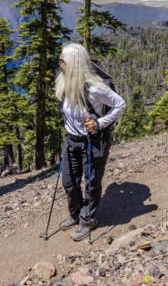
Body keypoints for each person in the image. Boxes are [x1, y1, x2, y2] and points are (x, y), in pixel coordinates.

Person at [55, 43, 126, 241]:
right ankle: (76, 214)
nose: (59, 63)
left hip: (92, 142)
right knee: (69, 182)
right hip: (71, 141)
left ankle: (87, 220)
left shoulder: (96, 88)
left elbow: (120, 104)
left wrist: (99, 123)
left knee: (91, 183)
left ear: (73, 64)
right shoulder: (66, 83)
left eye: (62, 61)